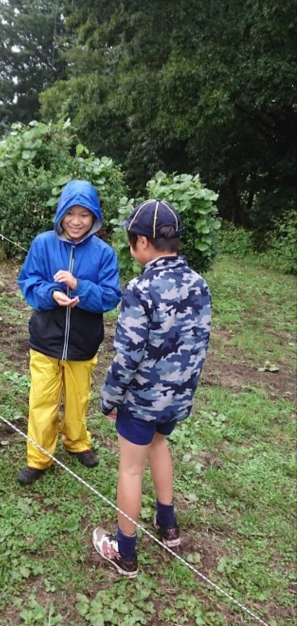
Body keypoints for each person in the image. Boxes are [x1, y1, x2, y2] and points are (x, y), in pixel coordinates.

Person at [92, 199, 211, 577]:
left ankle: (124, 552)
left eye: (130, 241)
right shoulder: (199, 283)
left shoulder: (140, 288)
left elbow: (127, 355)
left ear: (142, 242)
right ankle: (168, 524)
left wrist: (109, 399)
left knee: (130, 469)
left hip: (142, 401)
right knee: (159, 444)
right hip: (177, 400)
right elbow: (199, 343)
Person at [16, 179, 122, 485]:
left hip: (83, 342)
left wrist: (80, 287)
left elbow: (110, 296)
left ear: (94, 218)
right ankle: (38, 458)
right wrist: (51, 294)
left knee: (78, 399)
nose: (76, 221)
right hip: (45, 339)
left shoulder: (103, 253)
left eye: (84, 215)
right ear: (61, 213)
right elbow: (29, 282)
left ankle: (77, 442)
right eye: (70, 213)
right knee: (42, 401)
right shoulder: (43, 244)